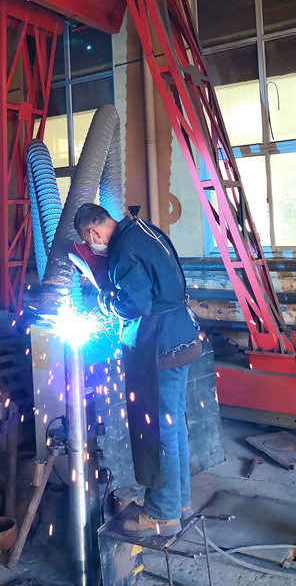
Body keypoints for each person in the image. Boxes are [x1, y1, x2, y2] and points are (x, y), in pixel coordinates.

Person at [73, 202, 202, 537]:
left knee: (158, 432)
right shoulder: (144, 229)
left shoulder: (123, 251)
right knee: (173, 426)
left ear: (94, 232)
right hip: (182, 337)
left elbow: (133, 305)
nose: (92, 247)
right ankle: (179, 502)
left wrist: (105, 302)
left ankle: (161, 514)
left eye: (88, 242)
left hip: (161, 346)